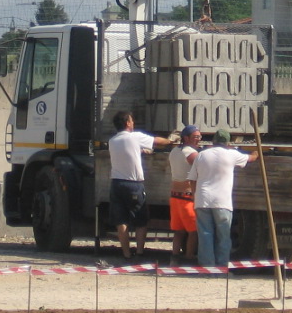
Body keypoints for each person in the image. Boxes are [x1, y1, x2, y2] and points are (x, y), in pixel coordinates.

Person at [107, 110, 173, 260]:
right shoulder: (135, 137)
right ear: (127, 123)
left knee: (121, 220)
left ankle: (126, 254)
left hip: (116, 183)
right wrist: (171, 140)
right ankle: (140, 252)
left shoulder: (112, 141)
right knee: (140, 219)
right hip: (133, 184)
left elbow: (127, 152)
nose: (133, 123)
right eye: (131, 120)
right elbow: (158, 142)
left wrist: (141, 151)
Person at [188, 128, 258, 268]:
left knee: (205, 235)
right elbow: (251, 158)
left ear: (213, 141)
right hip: (222, 202)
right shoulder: (231, 154)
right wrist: (256, 152)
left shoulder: (201, 155)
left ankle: (207, 267)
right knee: (224, 237)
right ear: (227, 142)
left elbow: (192, 179)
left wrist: (196, 196)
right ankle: (221, 268)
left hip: (203, 200)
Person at [168, 124, 201, 265]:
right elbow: (203, 165)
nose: (198, 140)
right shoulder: (190, 153)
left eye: (199, 137)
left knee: (178, 231)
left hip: (175, 197)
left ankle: (174, 258)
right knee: (193, 231)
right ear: (186, 138)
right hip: (186, 197)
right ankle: (189, 258)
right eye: (195, 137)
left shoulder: (174, 151)